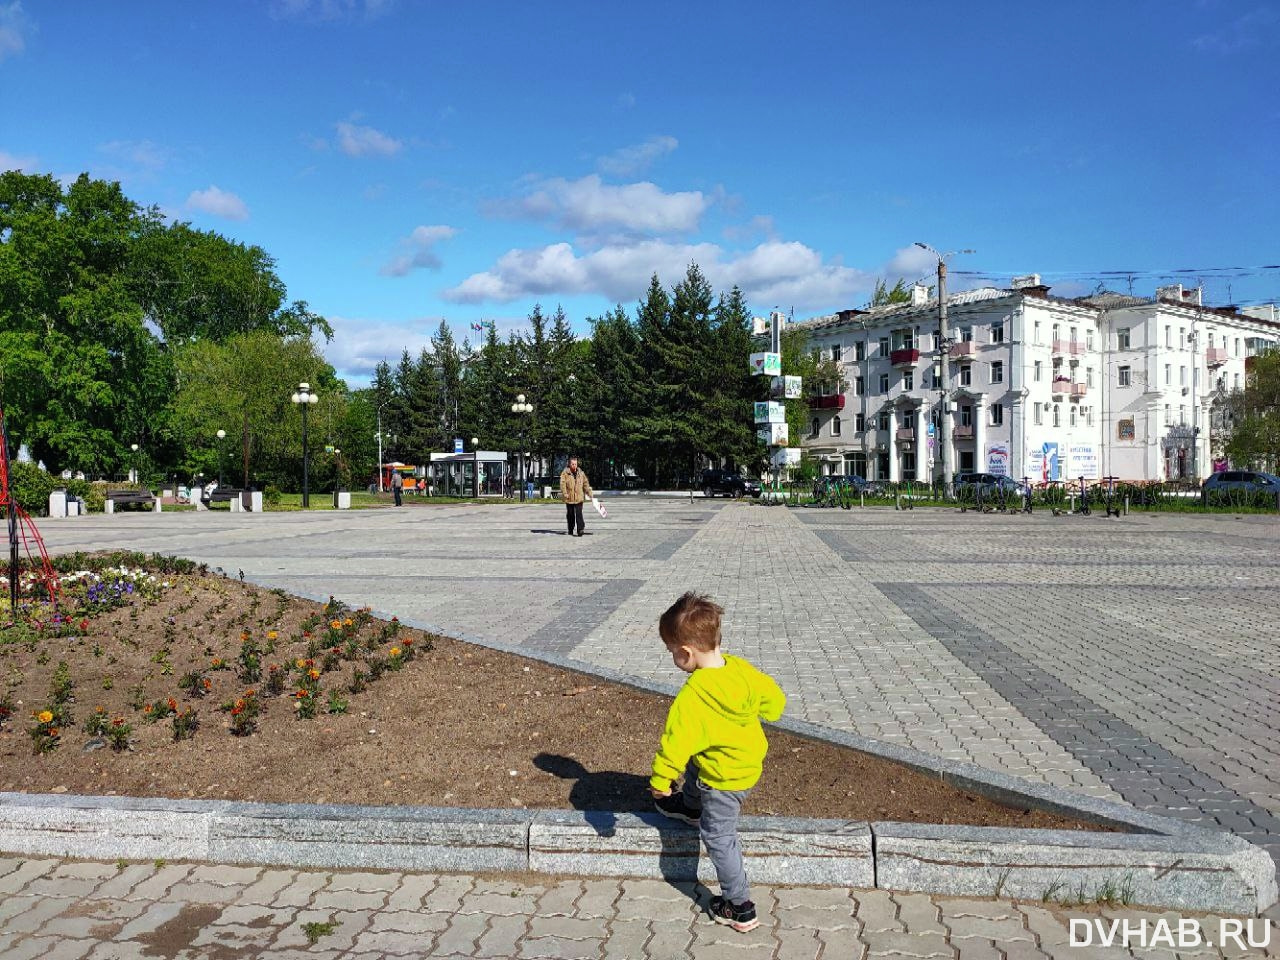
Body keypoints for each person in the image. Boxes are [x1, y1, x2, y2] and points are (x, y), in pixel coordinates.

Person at [649, 592, 786, 934]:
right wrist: (765, 710)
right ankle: (692, 806)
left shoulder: (693, 695)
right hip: (747, 762)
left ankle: (738, 905)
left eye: (671, 652)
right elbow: (775, 700)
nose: (672, 658)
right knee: (701, 753)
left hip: (725, 780)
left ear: (685, 653)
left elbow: (675, 744)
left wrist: (661, 781)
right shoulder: (740, 669)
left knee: (719, 835)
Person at [559, 457, 593, 536]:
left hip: (579, 497)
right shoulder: (565, 473)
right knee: (570, 515)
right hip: (569, 497)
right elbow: (562, 484)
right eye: (572, 464)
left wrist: (589, 493)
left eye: (575, 464)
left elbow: (585, 484)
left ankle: (580, 529)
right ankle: (570, 529)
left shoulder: (581, 473)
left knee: (579, 514)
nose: (574, 465)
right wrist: (564, 493)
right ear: (569, 464)